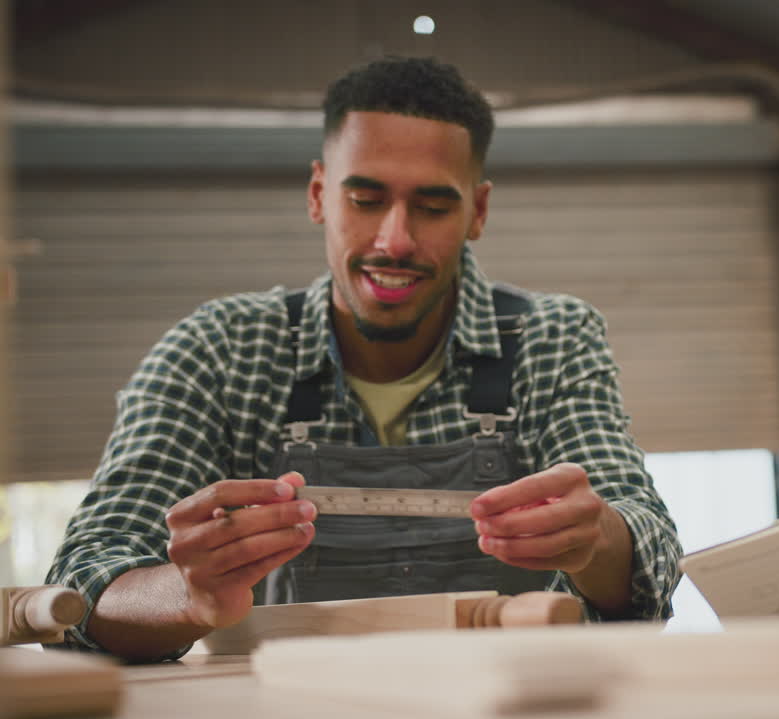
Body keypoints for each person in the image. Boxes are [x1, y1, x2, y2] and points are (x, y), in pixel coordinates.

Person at [46, 56, 682, 662]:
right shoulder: (214, 353)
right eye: (366, 199)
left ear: (478, 211)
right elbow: (79, 589)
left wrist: (596, 539)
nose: (395, 240)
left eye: (433, 206)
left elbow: (649, 560)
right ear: (319, 194)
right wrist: (188, 595)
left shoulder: (554, 338)